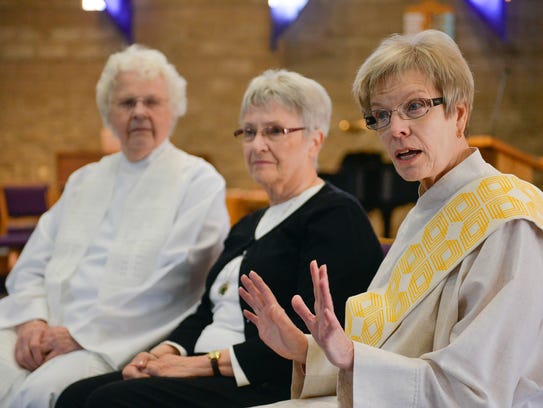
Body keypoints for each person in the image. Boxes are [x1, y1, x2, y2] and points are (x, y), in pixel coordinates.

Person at [239, 30, 543, 407]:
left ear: (459, 113)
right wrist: (303, 347)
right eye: (381, 115)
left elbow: (475, 391)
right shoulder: (430, 208)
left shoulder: (509, 219)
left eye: (415, 106)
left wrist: (350, 357)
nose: (395, 129)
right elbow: (392, 346)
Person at [55, 68, 383, 408]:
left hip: (264, 380)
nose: (257, 144)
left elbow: (310, 336)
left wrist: (196, 365)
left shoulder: (335, 217)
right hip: (205, 366)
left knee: (110, 403)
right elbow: (206, 311)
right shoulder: (248, 223)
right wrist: (162, 353)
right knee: (74, 396)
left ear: (315, 140)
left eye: (274, 131)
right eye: (249, 131)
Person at [0, 44, 230, 408]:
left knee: (40, 394)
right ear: (108, 111)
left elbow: (177, 284)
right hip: (42, 330)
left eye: (151, 101)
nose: (139, 112)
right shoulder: (83, 180)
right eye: (127, 102)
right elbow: (33, 263)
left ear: (174, 108)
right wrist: (31, 321)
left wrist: (81, 334)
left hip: (114, 340)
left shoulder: (198, 182)